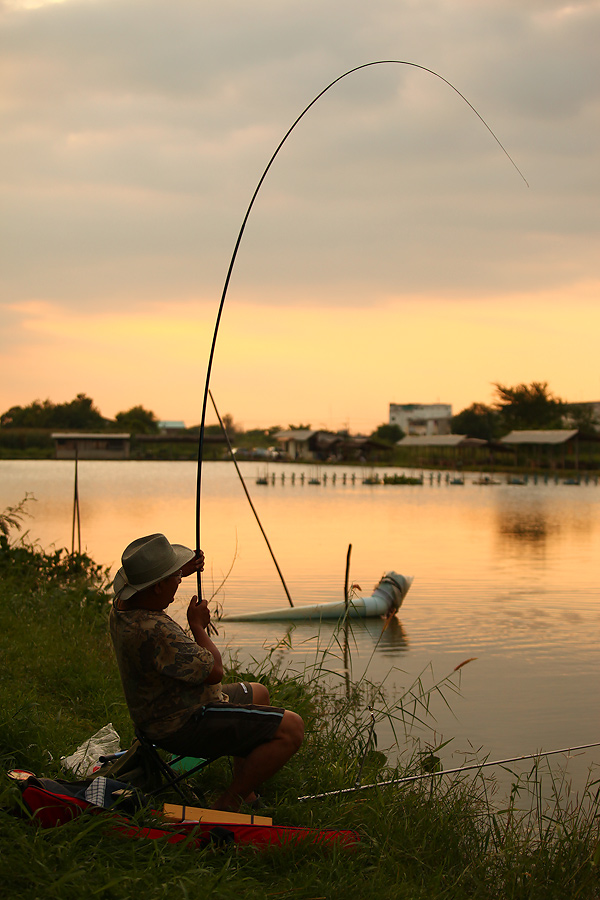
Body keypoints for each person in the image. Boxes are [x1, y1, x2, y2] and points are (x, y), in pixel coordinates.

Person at [109, 533, 304, 812]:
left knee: (258, 693)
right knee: (292, 728)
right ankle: (228, 804)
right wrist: (197, 625)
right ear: (156, 587)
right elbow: (215, 671)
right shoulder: (153, 630)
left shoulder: (121, 608)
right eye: (173, 577)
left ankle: (245, 790)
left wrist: (180, 571)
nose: (178, 581)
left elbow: (151, 592)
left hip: (163, 708)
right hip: (183, 722)